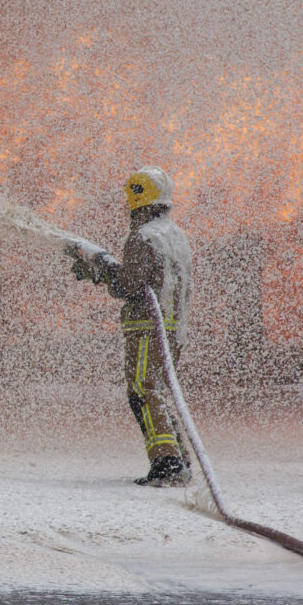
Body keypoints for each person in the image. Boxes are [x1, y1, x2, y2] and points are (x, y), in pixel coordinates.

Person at [72, 166, 193, 487]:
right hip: (173, 330)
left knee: (143, 390)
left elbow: (129, 285)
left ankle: (166, 463)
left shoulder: (142, 237)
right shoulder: (175, 235)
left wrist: (100, 265)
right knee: (159, 391)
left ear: (138, 198)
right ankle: (179, 458)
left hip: (147, 329)